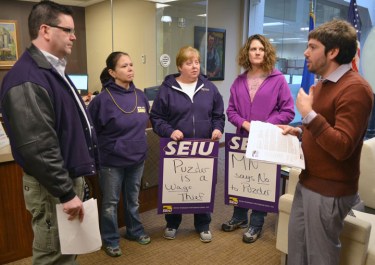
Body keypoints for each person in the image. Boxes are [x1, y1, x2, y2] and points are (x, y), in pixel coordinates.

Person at [0, 1, 99, 264]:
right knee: (53, 256)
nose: (74, 36)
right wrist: (66, 192)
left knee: (66, 253)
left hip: (63, 178)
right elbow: (38, 146)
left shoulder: (53, 70)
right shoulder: (27, 78)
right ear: (45, 30)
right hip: (51, 187)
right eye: (68, 30)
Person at [279, 19, 373, 265]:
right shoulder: (323, 84)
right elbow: (322, 128)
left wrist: (309, 114)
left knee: (320, 257)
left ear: (333, 52)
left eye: (312, 47)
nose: (305, 52)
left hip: (329, 191)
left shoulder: (356, 89)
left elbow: (342, 145)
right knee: (297, 250)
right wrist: (299, 130)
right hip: (308, 181)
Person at [222, 34, 295, 243]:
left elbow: (288, 111)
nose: (257, 52)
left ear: (266, 53)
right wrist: (244, 124)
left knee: (261, 181)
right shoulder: (238, 81)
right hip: (243, 137)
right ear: (247, 53)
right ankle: (239, 217)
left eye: (261, 49)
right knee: (242, 179)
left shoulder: (278, 79)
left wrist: (265, 125)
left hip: (267, 140)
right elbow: (231, 110)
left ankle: (256, 224)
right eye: (253, 49)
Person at [150, 46, 225, 243]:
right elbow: (156, 118)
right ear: (179, 66)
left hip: (203, 148)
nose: (194, 67)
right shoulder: (167, 90)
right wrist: (169, 131)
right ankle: (172, 223)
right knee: (177, 187)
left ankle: (203, 225)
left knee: (201, 185)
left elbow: (218, 115)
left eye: (197, 62)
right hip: (177, 148)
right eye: (189, 63)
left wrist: (217, 129)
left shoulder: (209, 88)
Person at [88, 52, 151, 257]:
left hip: (137, 158)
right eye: (124, 66)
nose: (130, 69)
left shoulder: (140, 95)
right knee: (110, 203)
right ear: (112, 72)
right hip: (111, 161)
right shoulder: (102, 100)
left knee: (133, 199)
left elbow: (144, 124)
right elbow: (91, 131)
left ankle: (134, 231)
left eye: (131, 65)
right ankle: (111, 239)